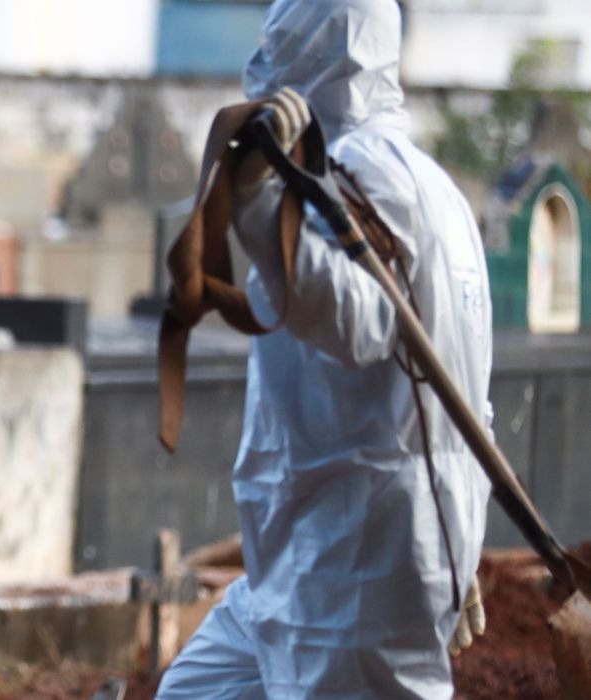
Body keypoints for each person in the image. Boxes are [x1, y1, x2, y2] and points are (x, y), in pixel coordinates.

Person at [158, 0, 492, 697]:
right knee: (198, 689)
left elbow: (359, 319)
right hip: (311, 554)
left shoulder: (361, 173)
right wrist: (466, 537)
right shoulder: (436, 190)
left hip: (359, 562)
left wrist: (250, 202)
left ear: (295, 48)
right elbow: (471, 396)